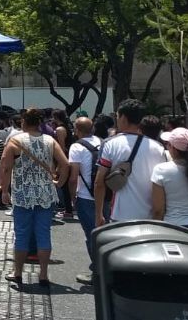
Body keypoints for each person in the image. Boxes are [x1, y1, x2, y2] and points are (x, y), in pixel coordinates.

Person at [0, 108, 69, 287]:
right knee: (44, 233)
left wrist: (5, 190)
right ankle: (43, 274)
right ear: (39, 122)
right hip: (46, 193)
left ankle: (18, 273)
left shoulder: (15, 141)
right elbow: (65, 163)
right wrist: (59, 183)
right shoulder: (50, 141)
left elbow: (6, 167)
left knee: (22, 234)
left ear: (23, 121)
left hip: (22, 194)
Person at [94, 99, 169, 226]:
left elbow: (99, 183)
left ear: (123, 118)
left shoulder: (110, 144)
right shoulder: (158, 147)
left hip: (120, 215)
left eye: (117, 116)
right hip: (150, 216)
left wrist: (99, 214)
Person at [67, 116, 104, 284]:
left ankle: (97, 272)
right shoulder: (103, 142)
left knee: (91, 235)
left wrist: (72, 197)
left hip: (85, 196)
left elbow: (73, 177)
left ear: (77, 130)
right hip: (105, 195)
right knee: (105, 232)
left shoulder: (76, 147)